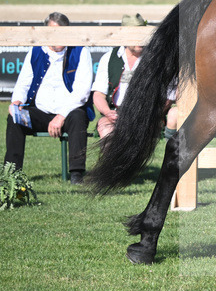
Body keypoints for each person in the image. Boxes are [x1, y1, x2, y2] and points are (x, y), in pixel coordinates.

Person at [5, 12, 93, 184]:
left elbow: (82, 92)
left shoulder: (81, 52)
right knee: (14, 118)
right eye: (53, 32)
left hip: (68, 112)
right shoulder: (36, 51)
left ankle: (76, 173)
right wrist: (16, 102)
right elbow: (23, 83)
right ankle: (11, 174)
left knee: (78, 116)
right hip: (40, 111)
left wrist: (61, 116)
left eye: (61, 32)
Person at [91, 14, 147, 140]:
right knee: (105, 127)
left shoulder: (153, 59)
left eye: (142, 35)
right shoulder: (108, 58)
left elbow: (167, 96)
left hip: (145, 114)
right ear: (125, 36)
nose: (141, 39)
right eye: (135, 36)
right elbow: (98, 94)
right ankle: (111, 160)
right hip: (115, 113)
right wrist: (107, 112)